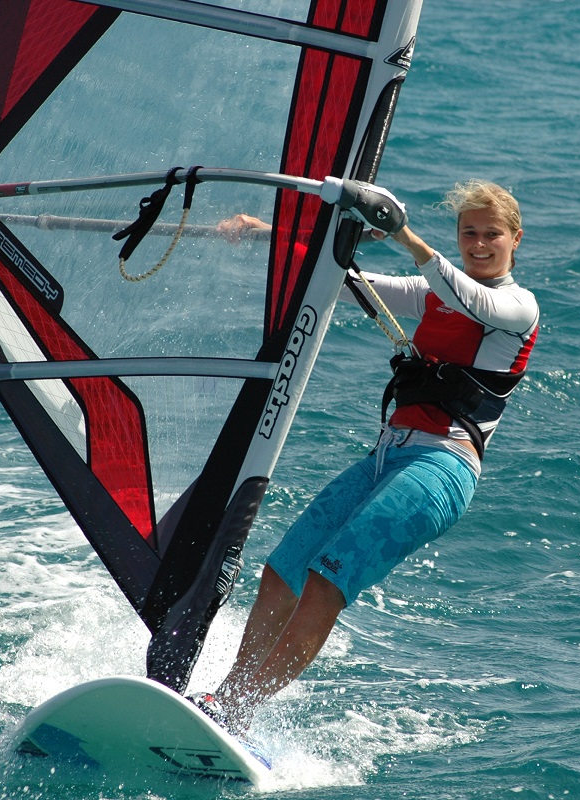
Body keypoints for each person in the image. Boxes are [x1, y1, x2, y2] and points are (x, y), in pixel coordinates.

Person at [198, 180, 539, 734]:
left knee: (326, 580)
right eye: (469, 233)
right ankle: (222, 701)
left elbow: (467, 298)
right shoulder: (433, 290)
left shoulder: (515, 306)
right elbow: (349, 280)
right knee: (283, 570)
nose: (479, 244)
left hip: (441, 470)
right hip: (387, 459)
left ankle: (237, 710)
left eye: (491, 234)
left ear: (514, 239)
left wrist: (402, 231)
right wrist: (269, 237)